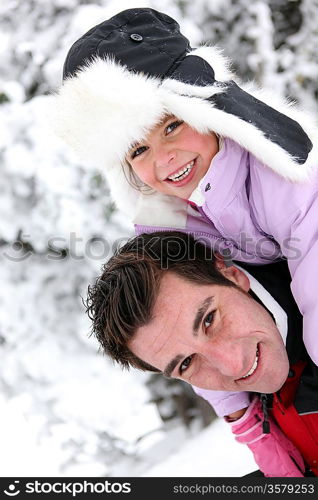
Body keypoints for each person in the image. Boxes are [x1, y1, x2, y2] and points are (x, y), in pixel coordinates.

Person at [53, 7, 318, 471]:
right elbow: (188, 345)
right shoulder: (172, 224)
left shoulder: (285, 176)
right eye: (138, 149)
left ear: (203, 107)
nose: (165, 158)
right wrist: (260, 439)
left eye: (172, 125)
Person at [84, 230, 318, 477]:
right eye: (186, 363)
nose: (233, 367)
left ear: (233, 275)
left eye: (209, 320)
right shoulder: (261, 408)